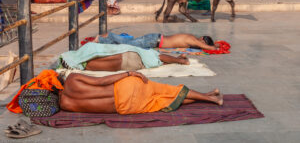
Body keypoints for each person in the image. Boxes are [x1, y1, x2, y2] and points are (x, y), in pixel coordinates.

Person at [59, 72, 223, 114]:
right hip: (126, 87)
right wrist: (128, 73)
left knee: (165, 100)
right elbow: (101, 82)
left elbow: (94, 110)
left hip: (125, 107)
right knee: (171, 90)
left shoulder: (65, 105)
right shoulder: (72, 79)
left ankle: (210, 97)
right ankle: (210, 97)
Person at [58, 42, 189, 71]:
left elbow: (162, 57)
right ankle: (76, 62)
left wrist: (179, 60)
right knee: (92, 63)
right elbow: (162, 58)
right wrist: (178, 61)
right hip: (129, 61)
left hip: (128, 56)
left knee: (92, 49)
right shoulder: (151, 57)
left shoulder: (150, 53)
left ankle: (75, 61)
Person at [93, 32, 219, 50]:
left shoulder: (191, 37)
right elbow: (210, 48)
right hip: (154, 41)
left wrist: (216, 43)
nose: (201, 45)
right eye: (203, 43)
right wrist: (216, 47)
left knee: (131, 42)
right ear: (202, 40)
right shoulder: (193, 39)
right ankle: (103, 38)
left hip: (155, 38)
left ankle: (105, 38)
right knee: (129, 44)